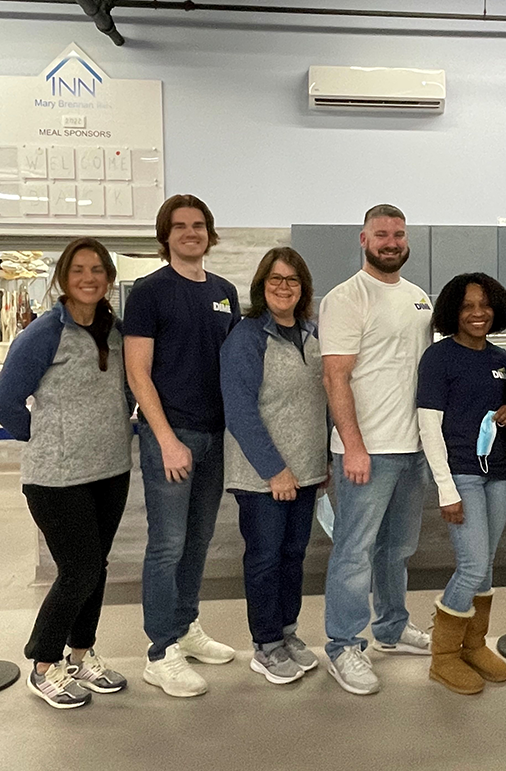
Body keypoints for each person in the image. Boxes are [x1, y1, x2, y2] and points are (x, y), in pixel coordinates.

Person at [0, 237, 132, 709]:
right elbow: (4, 403)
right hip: (55, 478)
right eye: (79, 270)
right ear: (63, 278)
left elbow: (129, 390)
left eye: (98, 270)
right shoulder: (44, 332)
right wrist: (48, 435)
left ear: (109, 279)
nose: (89, 278)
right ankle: (44, 664)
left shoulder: (116, 332)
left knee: (96, 568)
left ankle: (82, 653)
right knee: (79, 569)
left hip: (110, 470)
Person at [124, 195, 241, 698]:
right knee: (167, 544)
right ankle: (160, 651)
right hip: (170, 437)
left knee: (197, 542)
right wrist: (167, 439)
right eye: (180, 227)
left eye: (198, 226)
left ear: (209, 234)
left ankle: (186, 626)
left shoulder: (225, 291)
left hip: (216, 437)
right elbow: (137, 372)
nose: (190, 233)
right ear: (165, 236)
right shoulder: (149, 292)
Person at [320, 204, 433, 696]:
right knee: (354, 552)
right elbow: (335, 375)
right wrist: (353, 447)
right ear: (363, 240)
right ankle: (344, 645)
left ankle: (390, 627)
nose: (391, 242)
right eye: (382, 234)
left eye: (399, 234)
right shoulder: (347, 297)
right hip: (367, 452)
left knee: (398, 549)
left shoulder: (419, 298)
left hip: (412, 450)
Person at [220, 247, 328, 685]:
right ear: (262, 286)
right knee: (265, 558)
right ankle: (265, 645)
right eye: (276, 279)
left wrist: (320, 464)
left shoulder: (313, 333)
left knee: (293, 556)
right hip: (262, 475)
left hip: (306, 471)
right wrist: (274, 470)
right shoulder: (246, 337)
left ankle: (286, 633)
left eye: (293, 280)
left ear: (303, 288)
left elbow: (322, 402)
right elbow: (240, 411)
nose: (284, 287)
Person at [417, 272, 506, 695]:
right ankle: (443, 658)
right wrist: (446, 489)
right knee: (472, 564)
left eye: (485, 305)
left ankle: (473, 645)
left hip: (497, 472)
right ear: (452, 313)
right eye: (467, 306)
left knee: (487, 564)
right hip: (460, 474)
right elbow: (428, 426)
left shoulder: (500, 359)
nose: (477, 313)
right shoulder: (439, 358)